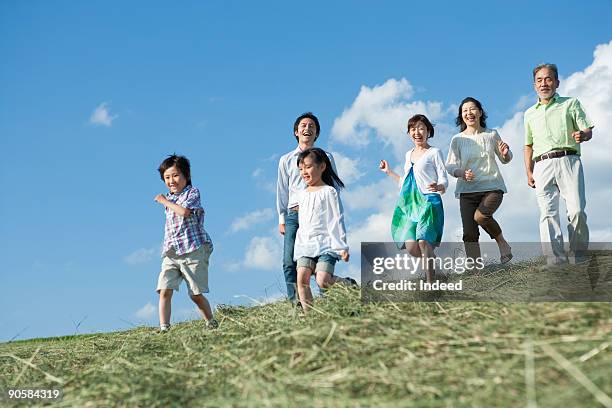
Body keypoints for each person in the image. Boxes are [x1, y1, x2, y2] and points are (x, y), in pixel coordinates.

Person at [524, 63, 594, 265]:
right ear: (534, 85)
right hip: (541, 164)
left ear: (556, 82)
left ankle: (578, 257)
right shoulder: (529, 113)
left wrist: (583, 135)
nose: (543, 83)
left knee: (577, 210)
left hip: (569, 160)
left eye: (548, 79)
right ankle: (555, 261)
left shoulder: (570, 103)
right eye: (539, 80)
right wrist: (528, 171)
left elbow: (587, 130)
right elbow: (528, 144)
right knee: (547, 213)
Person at [277, 112, 348, 302]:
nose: (307, 128)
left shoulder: (325, 157)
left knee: (320, 262)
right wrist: (281, 218)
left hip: (319, 213)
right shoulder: (286, 159)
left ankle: (327, 300)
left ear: (316, 133)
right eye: (303, 125)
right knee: (289, 261)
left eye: (311, 126)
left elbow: (333, 186)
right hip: (295, 213)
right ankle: (297, 304)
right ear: (296, 131)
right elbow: (282, 190)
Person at [379, 114, 448, 283]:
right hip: (410, 205)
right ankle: (436, 269)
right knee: (411, 246)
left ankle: (431, 284)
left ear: (428, 131)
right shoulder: (408, 155)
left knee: (424, 241)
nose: (417, 132)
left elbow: (444, 178)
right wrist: (389, 172)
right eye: (413, 129)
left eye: (421, 128)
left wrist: (439, 186)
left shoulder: (434, 152)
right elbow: (406, 182)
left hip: (429, 201)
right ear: (409, 132)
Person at [154, 154, 217, 332]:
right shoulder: (168, 198)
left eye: (175, 175)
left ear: (186, 175)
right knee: (164, 289)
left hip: (193, 250)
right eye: (167, 177)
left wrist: (164, 201)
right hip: (172, 252)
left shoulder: (192, 192)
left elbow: (184, 212)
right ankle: (164, 328)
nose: (171, 181)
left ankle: (211, 322)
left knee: (195, 294)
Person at [446, 97, 513, 264]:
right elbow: (450, 165)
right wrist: (460, 172)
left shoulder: (491, 134)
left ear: (480, 112)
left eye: (472, 109)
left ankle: (502, 242)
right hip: (467, 190)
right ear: (461, 116)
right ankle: (475, 271)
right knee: (469, 233)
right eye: (465, 111)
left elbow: (505, 158)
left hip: (492, 186)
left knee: (481, 217)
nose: (469, 113)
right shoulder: (457, 139)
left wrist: (505, 154)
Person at [294, 148, 349, 313]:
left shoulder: (329, 192)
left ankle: (348, 285)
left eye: (308, 167)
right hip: (305, 245)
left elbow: (336, 219)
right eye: (301, 169)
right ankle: (310, 316)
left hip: (326, 244)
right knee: (301, 279)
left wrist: (342, 246)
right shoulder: (302, 195)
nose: (304, 172)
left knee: (322, 280)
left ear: (322, 167)